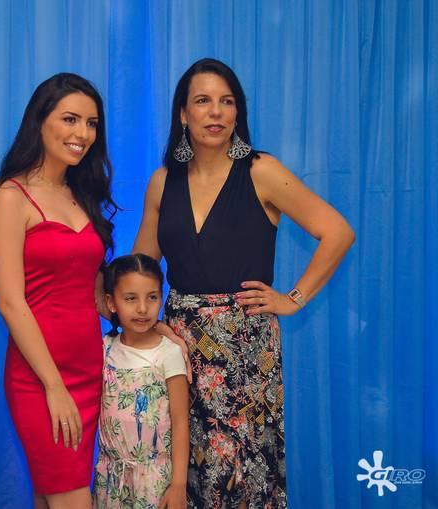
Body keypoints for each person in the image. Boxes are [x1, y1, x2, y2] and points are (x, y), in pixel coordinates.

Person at [133, 58, 355, 509]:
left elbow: (338, 231)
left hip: (245, 351)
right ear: (183, 114)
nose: (215, 112)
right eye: (203, 101)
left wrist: (293, 298)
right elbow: (142, 267)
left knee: (242, 477)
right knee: (182, 474)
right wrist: (140, 316)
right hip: (178, 350)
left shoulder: (261, 171)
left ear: (238, 112)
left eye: (227, 101)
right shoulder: (162, 183)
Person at [0, 73, 117, 508]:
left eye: (92, 123)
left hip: (89, 371)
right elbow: (10, 302)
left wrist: (148, 325)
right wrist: (53, 386)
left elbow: (90, 290)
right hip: (41, 378)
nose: (83, 133)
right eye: (70, 119)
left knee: (51, 498)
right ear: (40, 121)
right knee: (72, 498)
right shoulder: (11, 197)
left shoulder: (81, 193)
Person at [93, 254, 189, 509]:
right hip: (111, 479)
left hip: (155, 481)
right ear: (111, 303)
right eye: (130, 298)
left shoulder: (168, 353)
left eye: (152, 297)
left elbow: (180, 421)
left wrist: (179, 484)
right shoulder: (104, 350)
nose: (143, 308)